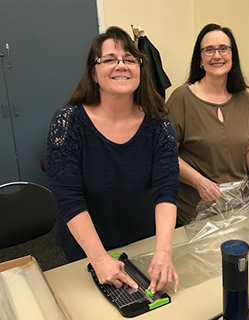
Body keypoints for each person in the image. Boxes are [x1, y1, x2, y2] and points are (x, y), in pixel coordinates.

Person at [46, 26, 179, 292]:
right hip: (86, 248)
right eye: (109, 59)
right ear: (93, 73)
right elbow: (68, 198)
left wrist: (163, 252)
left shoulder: (158, 124)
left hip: (140, 240)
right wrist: (99, 259)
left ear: (141, 70)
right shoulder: (69, 122)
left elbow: (166, 189)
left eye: (130, 59)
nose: (121, 66)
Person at [167, 23, 249, 226]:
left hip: (239, 209)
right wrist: (199, 182)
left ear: (232, 56)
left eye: (223, 48)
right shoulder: (182, 99)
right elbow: (167, 155)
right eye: (209, 50)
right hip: (194, 213)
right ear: (200, 58)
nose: (217, 56)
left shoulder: (243, 99)